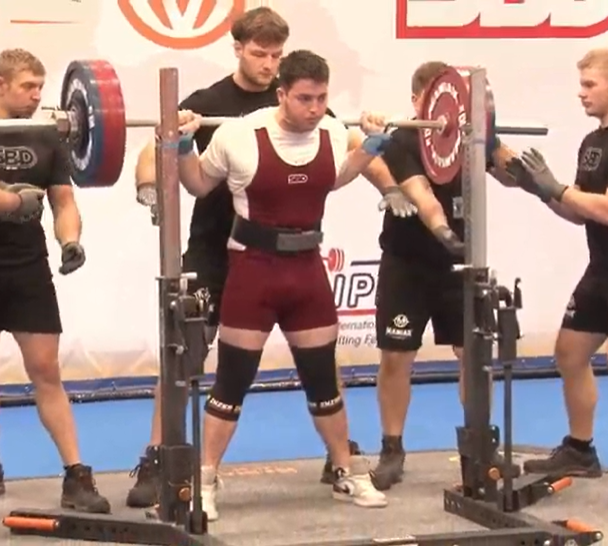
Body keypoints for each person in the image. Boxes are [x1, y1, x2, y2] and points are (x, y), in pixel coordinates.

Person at [131, 7, 413, 508]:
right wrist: (156, 176)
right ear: (240, 50)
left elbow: (342, 166)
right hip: (223, 251)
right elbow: (166, 159)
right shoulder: (214, 108)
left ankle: (341, 463)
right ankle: (163, 460)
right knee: (189, 355)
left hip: (301, 261)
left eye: (275, 55)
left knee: (322, 371)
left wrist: (385, 175)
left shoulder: (322, 120)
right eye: (259, 54)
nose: (267, 63)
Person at [369, 61, 526, 490]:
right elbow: (423, 196)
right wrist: (442, 231)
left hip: (461, 265)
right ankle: (392, 448)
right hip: (408, 263)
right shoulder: (402, 139)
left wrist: (514, 161)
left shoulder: (471, 136)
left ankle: (481, 444)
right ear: (417, 101)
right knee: (396, 357)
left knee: (473, 354)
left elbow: (510, 177)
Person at [509, 47, 608, 509]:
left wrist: (558, 187)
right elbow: (579, 212)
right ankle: (580, 450)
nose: (581, 93)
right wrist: (540, 190)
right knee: (570, 353)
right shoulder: (593, 142)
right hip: (603, 269)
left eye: (590, 84)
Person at [0, 48, 110, 513]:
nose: (37, 95)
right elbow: (13, 201)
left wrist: (70, 241)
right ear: (1, 85)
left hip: (27, 265)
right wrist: (11, 202)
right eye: (28, 86)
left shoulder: (47, 135)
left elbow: (63, 201)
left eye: (41, 87)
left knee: (46, 370)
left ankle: (76, 475)